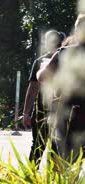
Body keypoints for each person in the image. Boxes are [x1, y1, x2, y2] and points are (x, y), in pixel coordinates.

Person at [37, 13, 85, 161]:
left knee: (66, 165)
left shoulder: (65, 53)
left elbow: (42, 77)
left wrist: (45, 67)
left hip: (71, 115)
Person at [22, 30, 64, 166]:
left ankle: (31, 177)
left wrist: (26, 113)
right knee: (56, 147)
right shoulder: (68, 60)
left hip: (42, 110)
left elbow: (33, 89)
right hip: (62, 111)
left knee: (38, 145)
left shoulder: (40, 62)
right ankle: (54, 178)